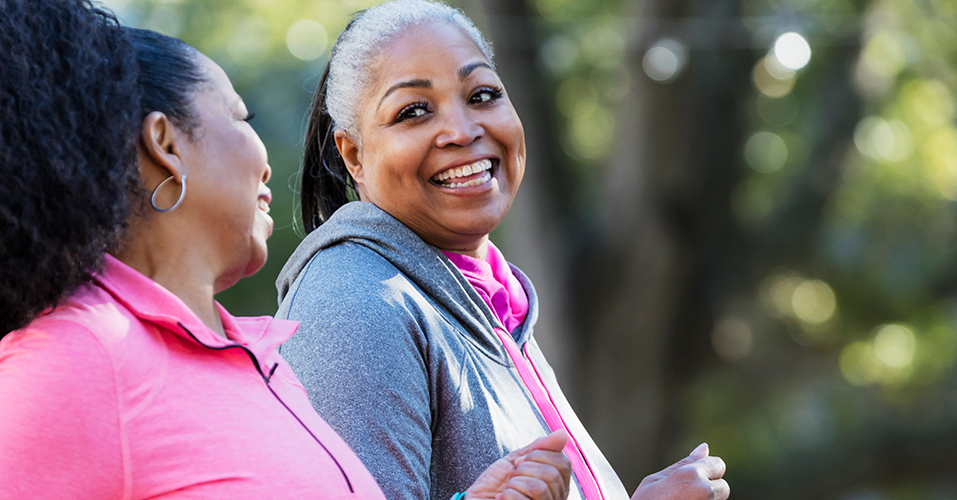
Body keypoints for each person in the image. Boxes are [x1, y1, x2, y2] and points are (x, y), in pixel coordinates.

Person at [0, 0, 573, 497]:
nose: (267, 161)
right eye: (238, 117)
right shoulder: (81, 356)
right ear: (165, 146)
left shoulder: (252, 362)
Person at [276, 2, 731, 500]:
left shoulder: (491, 299)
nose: (463, 130)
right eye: (413, 111)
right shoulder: (356, 303)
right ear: (354, 155)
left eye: (483, 94)